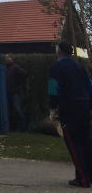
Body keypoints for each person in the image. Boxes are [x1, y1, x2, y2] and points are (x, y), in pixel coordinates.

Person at [49, 41, 92, 188]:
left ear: (59, 51)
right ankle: (89, 174)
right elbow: (90, 86)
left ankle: (82, 178)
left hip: (69, 107)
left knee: (73, 143)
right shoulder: (80, 67)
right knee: (86, 141)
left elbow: (54, 88)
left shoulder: (57, 67)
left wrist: (53, 107)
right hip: (84, 106)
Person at [5, 53, 27, 131]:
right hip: (6, 92)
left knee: (18, 109)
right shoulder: (4, 68)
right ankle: (12, 126)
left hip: (14, 92)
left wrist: (17, 83)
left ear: (12, 59)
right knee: (9, 110)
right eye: (5, 57)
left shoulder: (15, 67)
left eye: (8, 57)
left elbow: (24, 74)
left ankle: (23, 127)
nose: (6, 59)